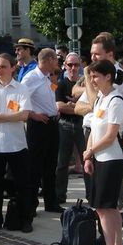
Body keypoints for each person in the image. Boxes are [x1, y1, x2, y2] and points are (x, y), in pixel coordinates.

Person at [0, 53, 33, 233]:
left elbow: (24, 115)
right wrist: (6, 117)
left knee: (22, 183)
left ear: (12, 68)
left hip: (16, 143)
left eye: (3, 66)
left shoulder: (20, 89)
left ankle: (25, 218)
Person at [83, 59, 123, 245]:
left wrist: (91, 151)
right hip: (99, 158)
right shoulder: (101, 98)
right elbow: (94, 129)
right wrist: (88, 156)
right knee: (108, 207)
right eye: (91, 76)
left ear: (108, 76)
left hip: (112, 158)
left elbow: (111, 136)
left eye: (96, 76)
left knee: (104, 207)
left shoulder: (116, 100)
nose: (92, 80)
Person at [23, 47, 62, 215]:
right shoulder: (31, 78)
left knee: (50, 165)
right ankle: (31, 204)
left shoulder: (48, 77)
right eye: (55, 60)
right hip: (38, 125)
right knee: (35, 167)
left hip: (52, 123)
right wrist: (33, 115)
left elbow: (48, 97)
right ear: (47, 60)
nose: (57, 63)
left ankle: (51, 202)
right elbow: (16, 102)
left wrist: (55, 109)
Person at [55, 51, 87, 205]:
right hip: (65, 125)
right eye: (70, 65)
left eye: (76, 64)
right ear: (65, 66)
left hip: (83, 125)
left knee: (87, 161)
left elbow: (91, 106)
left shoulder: (86, 84)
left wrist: (72, 106)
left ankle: (92, 194)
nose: (73, 68)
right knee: (62, 163)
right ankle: (60, 196)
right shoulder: (61, 84)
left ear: (80, 65)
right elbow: (59, 106)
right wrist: (80, 107)